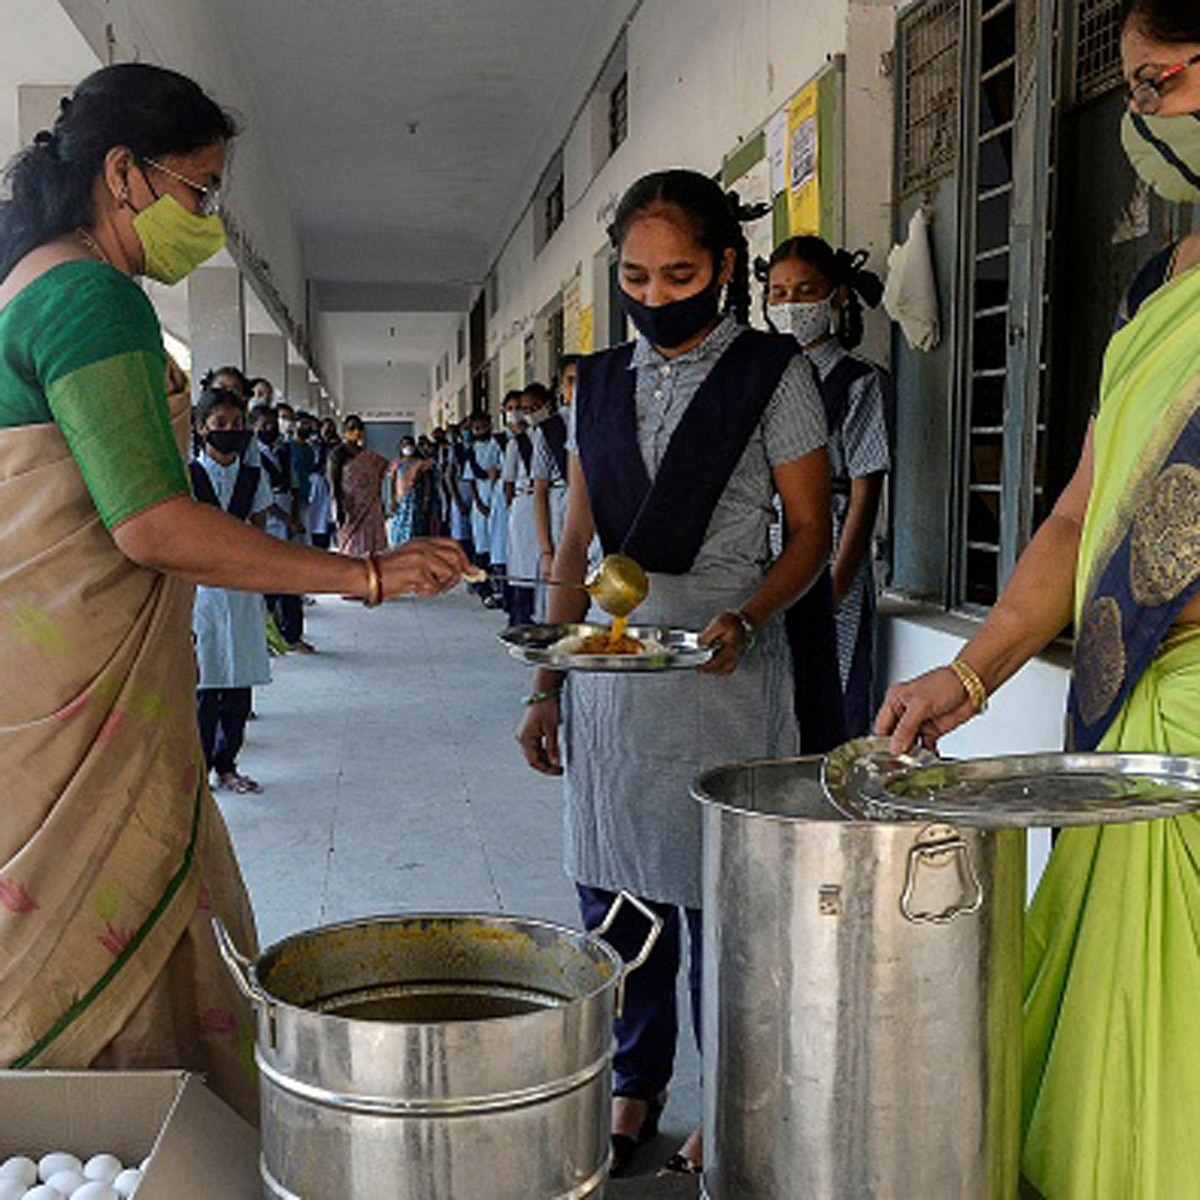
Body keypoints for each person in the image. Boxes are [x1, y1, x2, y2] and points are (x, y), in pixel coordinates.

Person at [0, 62, 469, 1121]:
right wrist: (366, 575)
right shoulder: (87, 298)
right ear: (123, 174)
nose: (206, 221)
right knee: (84, 953)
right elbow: (152, 524)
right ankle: (124, 1145)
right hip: (74, 702)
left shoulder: (20, 282)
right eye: (198, 191)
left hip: (26, 684)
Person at [878, 5, 1200, 1194]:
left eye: (1158, 84)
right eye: (1130, 89)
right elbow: (1076, 516)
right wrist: (972, 671)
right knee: (1110, 1052)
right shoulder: (1159, 289)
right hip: (1142, 734)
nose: (1141, 119)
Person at [516, 168, 831, 1176]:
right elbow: (575, 542)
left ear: (725, 266)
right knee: (616, 894)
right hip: (613, 671)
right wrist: (546, 680)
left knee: (720, 900)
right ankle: (633, 1081)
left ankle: (730, 1095)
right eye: (637, 278)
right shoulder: (597, 382)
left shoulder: (773, 375)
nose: (656, 298)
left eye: (680, 274)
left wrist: (748, 612)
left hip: (724, 667)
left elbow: (813, 534)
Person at [765, 236, 890, 739]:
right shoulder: (765, 376)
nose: (791, 305)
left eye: (805, 290)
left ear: (836, 296)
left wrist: (836, 584)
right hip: (768, 549)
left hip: (832, 549)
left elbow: (865, 491)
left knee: (833, 695)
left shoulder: (856, 381)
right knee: (776, 694)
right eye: (778, 293)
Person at [191, 386, 272, 795]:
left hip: (241, 591)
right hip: (201, 596)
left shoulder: (253, 476)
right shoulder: (189, 475)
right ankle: (199, 771)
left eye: (237, 424)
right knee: (205, 688)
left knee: (238, 687)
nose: (229, 431)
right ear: (202, 427)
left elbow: (258, 528)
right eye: (220, 424)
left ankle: (227, 765)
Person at [252, 404, 312, 652]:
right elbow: (262, 496)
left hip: (289, 515)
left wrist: (295, 516)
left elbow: (295, 485)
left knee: (292, 576)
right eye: (264, 425)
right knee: (270, 580)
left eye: (273, 424)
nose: (270, 429)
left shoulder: (284, 450)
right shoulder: (252, 455)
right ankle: (266, 634)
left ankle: (293, 634)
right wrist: (287, 519)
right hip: (270, 517)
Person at [532, 358, 577, 620]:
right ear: (560, 387)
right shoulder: (550, 429)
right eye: (570, 381)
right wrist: (546, 551)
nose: (578, 388)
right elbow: (540, 493)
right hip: (561, 509)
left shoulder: (602, 419)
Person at [502, 384, 551, 626]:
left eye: (534, 408)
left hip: (550, 503)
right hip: (524, 504)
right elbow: (508, 482)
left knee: (546, 567)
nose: (528, 413)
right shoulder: (518, 443)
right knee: (523, 568)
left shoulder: (555, 434)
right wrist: (513, 508)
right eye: (523, 409)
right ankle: (520, 620)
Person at [328, 414, 389, 558]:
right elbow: (334, 483)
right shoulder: (338, 454)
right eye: (351, 428)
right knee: (352, 545)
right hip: (351, 506)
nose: (356, 431)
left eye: (359, 428)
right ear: (344, 430)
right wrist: (338, 508)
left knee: (372, 548)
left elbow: (384, 470)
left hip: (371, 508)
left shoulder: (367, 455)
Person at [463, 409, 506, 609]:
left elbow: (503, 469)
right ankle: (484, 590)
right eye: (476, 428)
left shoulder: (499, 443)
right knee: (482, 548)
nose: (480, 430)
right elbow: (471, 480)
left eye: (483, 426)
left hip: (497, 496)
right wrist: (479, 504)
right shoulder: (471, 451)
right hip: (481, 500)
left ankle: (499, 589)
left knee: (499, 547)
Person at [385, 434, 436, 546]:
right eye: (404, 444)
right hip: (400, 500)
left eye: (410, 444)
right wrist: (392, 499)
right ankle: (399, 550)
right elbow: (392, 482)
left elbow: (427, 482)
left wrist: (426, 499)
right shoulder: (396, 463)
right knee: (399, 525)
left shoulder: (420, 463)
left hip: (415, 499)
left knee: (414, 525)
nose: (407, 447)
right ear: (400, 447)